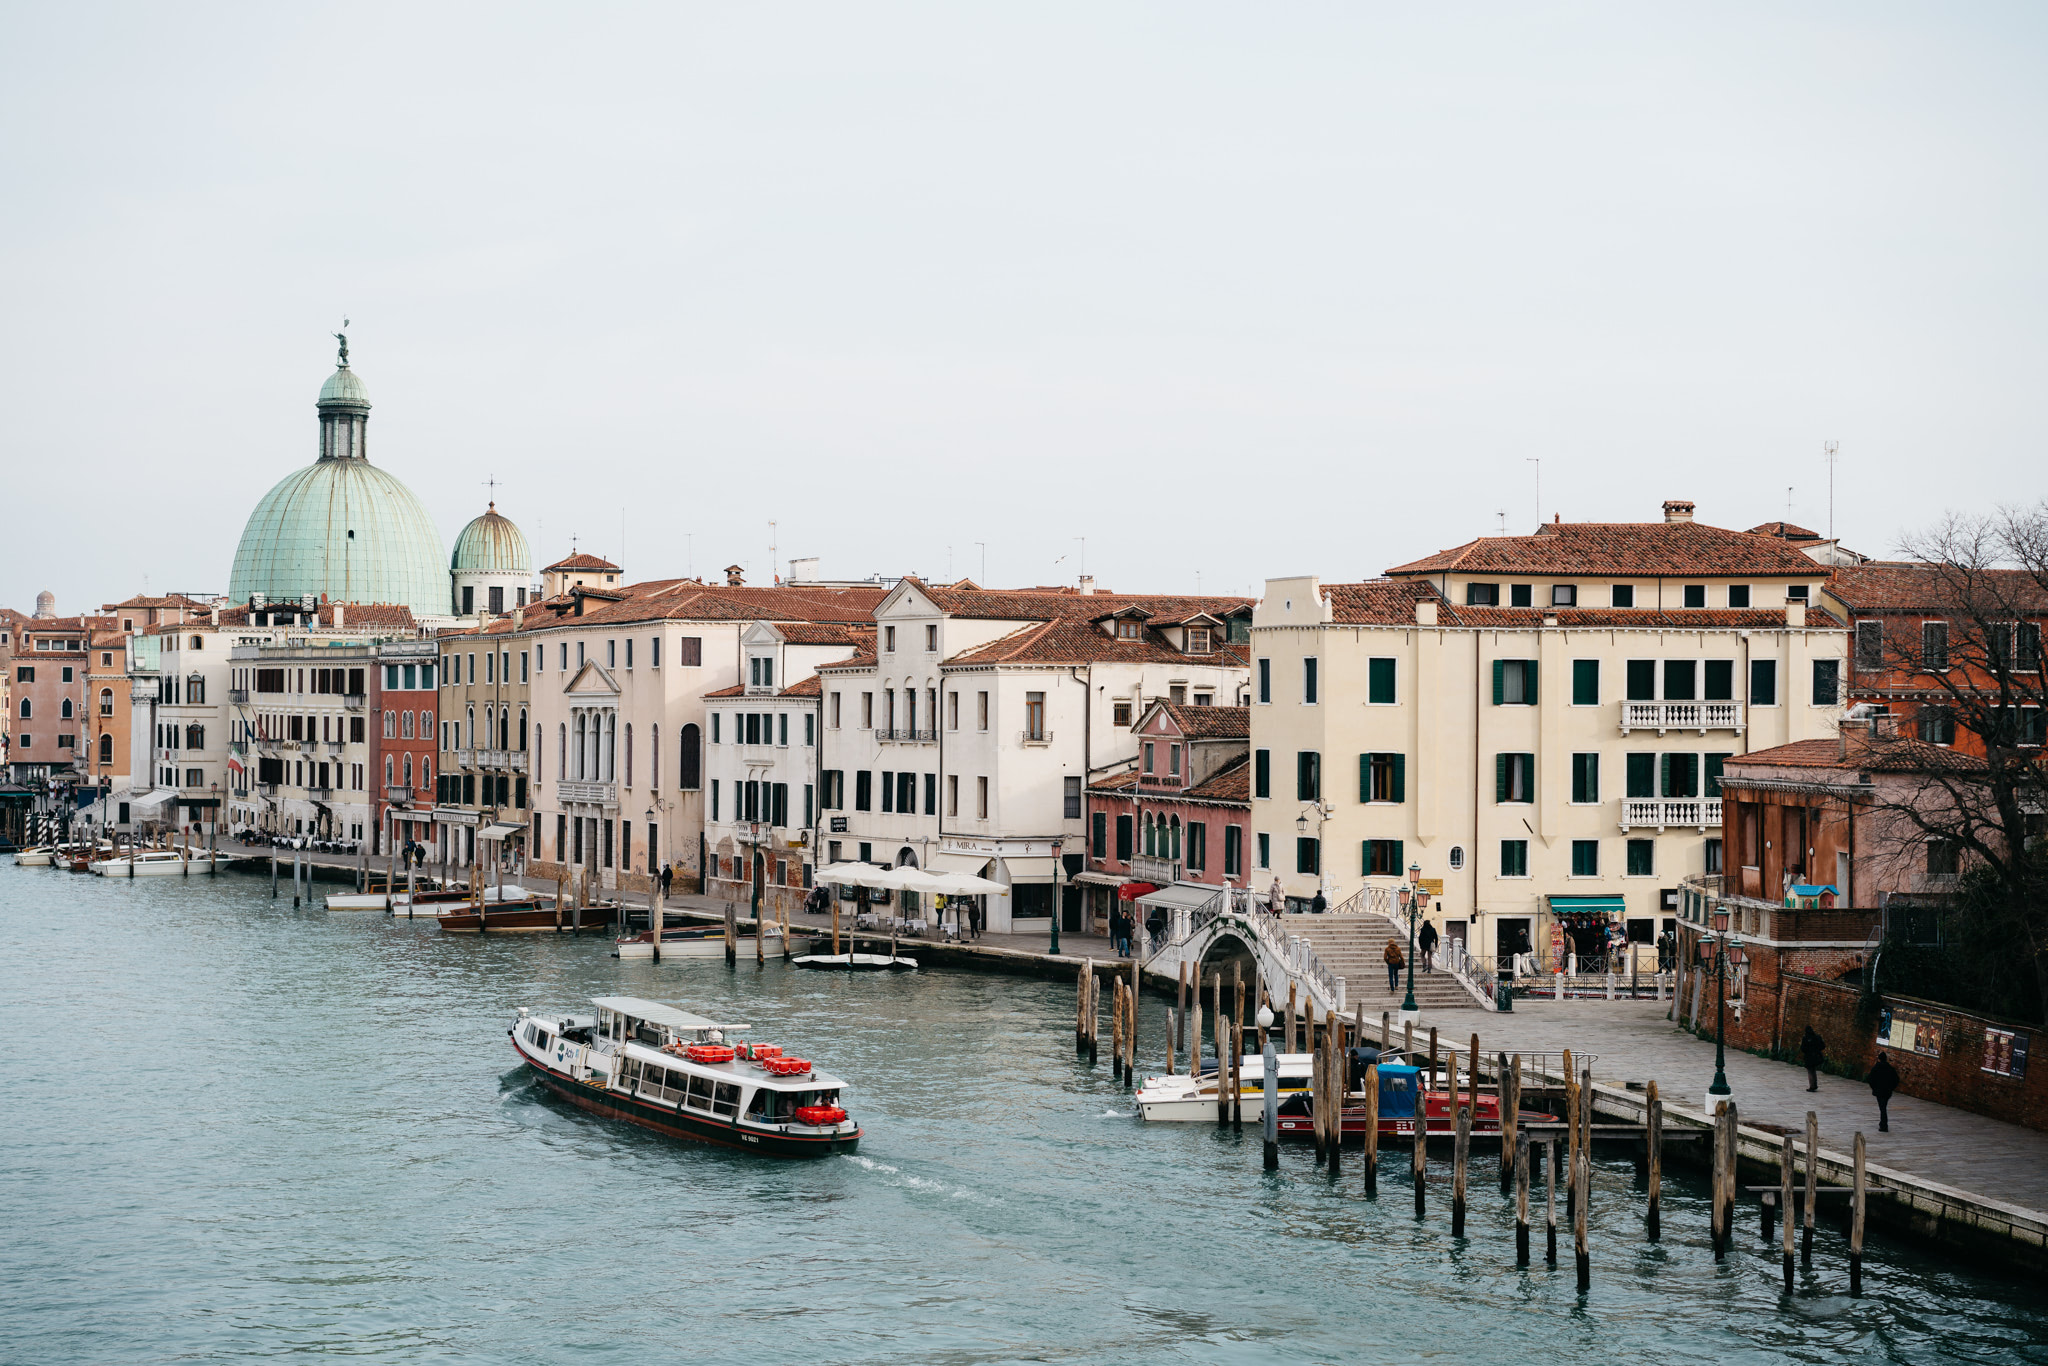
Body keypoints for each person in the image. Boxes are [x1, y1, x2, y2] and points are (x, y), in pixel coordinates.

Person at [1867, 1051, 1900, 1132]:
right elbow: (1896, 1079)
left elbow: (1870, 1079)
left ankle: (1884, 1125)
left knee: (1882, 1108)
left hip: (1879, 1091)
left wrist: (1874, 1088)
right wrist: (1891, 1088)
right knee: (1883, 1107)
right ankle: (1883, 1124)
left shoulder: (1876, 1068)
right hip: (1887, 1092)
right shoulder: (1890, 1068)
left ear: (1879, 1059)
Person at [1800, 1025, 1826, 1092]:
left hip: (1808, 1056)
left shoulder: (1805, 1038)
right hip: (1816, 1056)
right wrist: (1817, 1050)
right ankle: (1815, 1084)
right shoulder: (1817, 1037)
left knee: (1810, 1071)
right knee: (1813, 1070)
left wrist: (1808, 1051)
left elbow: (1802, 1048)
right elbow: (1823, 1046)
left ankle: (1812, 1086)